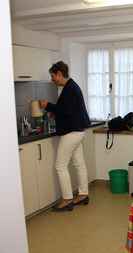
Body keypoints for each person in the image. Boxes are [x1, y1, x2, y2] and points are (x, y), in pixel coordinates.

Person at [39, 61, 91, 212]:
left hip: (71, 132)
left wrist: (48, 105)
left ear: (59, 74)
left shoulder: (70, 89)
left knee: (60, 165)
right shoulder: (71, 87)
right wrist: (55, 111)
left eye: (53, 76)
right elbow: (67, 109)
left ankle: (67, 199)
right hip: (78, 131)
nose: (52, 79)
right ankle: (82, 194)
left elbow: (67, 110)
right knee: (78, 163)